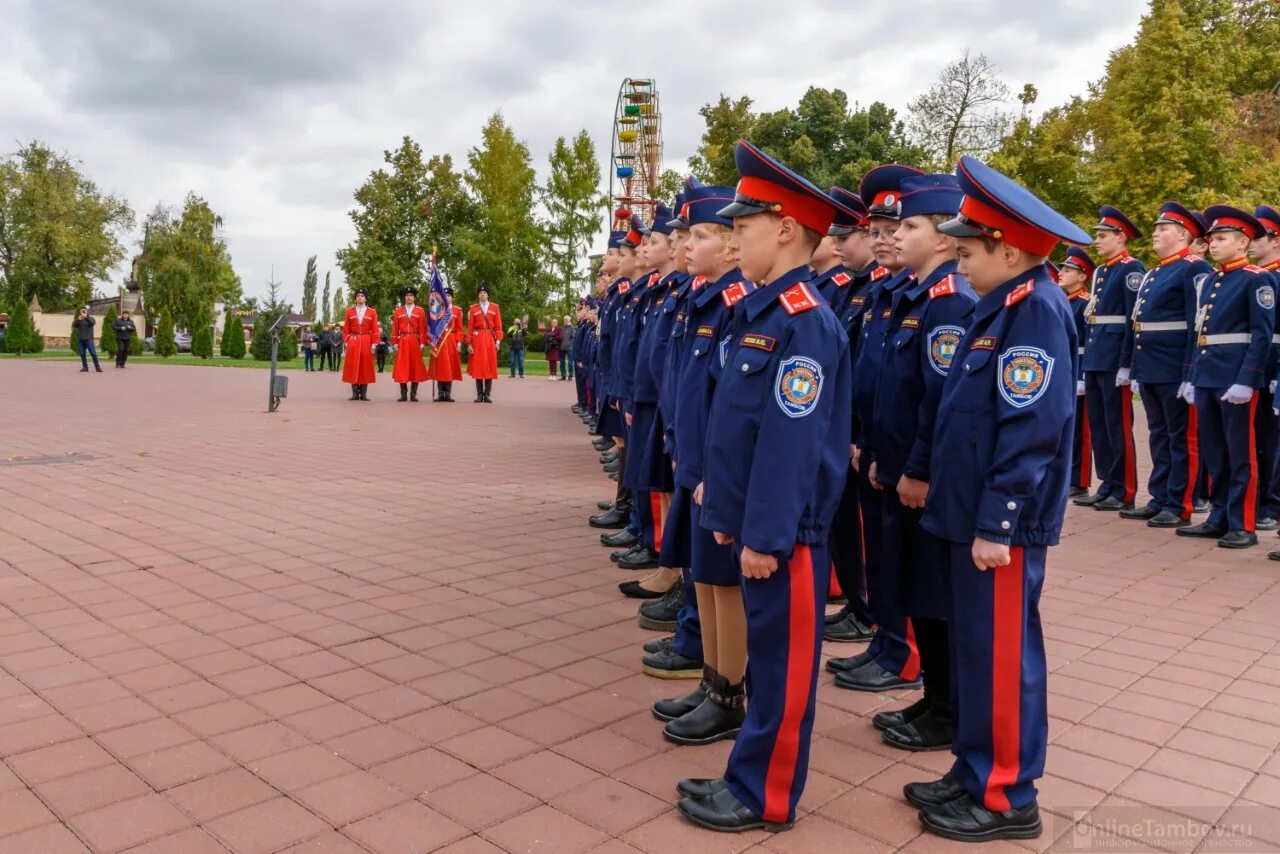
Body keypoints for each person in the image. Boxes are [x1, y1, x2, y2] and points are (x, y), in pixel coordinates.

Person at [911, 155, 1090, 842]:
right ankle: (974, 768)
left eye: (967, 249)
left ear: (1008, 249)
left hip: (999, 525)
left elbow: (1031, 429)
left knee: (1004, 655)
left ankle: (1008, 794)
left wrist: (999, 521)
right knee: (979, 651)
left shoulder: (1036, 313)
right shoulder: (1000, 307)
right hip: (971, 515)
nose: (958, 263)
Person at [673, 140, 850, 834]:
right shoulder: (765, 313)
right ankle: (747, 776)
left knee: (780, 673)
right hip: (756, 526)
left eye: (743, 228)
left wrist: (766, 534)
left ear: (785, 229)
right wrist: (728, 512)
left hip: (785, 536)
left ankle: (764, 795)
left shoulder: (804, 321)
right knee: (769, 664)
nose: (735, 238)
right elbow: (736, 428)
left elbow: (790, 442)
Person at [867, 173, 976, 752]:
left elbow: (941, 399)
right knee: (916, 589)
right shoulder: (915, 295)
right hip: (898, 468)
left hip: (922, 479)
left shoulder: (950, 300)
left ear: (941, 240)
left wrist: (918, 469)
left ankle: (950, 708)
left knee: (935, 596)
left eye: (910, 225)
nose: (897, 234)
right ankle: (935, 698)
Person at [834, 163, 925, 693]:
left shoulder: (930, 298)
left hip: (906, 458)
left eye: (897, 230)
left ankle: (904, 656)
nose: (884, 240)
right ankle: (884, 640)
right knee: (885, 557)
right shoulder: (888, 293)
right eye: (878, 231)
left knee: (903, 560)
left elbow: (928, 398)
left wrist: (911, 462)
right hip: (875, 446)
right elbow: (868, 378)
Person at [1177, 206, 1275, 549]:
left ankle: (1242, 523)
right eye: (1211, 239)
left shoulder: (1256, 278)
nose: (1212, 244)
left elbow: (1261, 335)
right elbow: (1200, 332)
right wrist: (1191, 376)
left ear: (1243, 242)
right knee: (1215, 451)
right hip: (1208, 376)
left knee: (1240, 454)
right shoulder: (1214, 280)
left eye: (1220, 239)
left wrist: (1247, 379)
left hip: (1234, 378)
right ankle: (1218, 517)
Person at [1118, 202, 1214, 528]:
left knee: (1180, 437)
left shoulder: (1194, 268)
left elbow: (1196, 326)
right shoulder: (1155, 271)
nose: (1156, 233)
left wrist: (1190, 372)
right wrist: (1132, 367)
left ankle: (1179, 502)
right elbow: (1138, 323)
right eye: (1157, 228)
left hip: (1175, 366)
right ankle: (1159, 497)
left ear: (1184, 234)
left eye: (1163, 229)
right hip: (1151, 366)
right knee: (1159, 435)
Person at [824, 185, 881, 647]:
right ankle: (860, 607)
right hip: (849, 431)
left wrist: (859, 433)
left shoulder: (873, 287)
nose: (840, 245)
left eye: (847, 237)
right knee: (848, 526)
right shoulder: (858, 288)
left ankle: (869, 613)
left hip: (864, 436)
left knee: (865, 531)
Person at [1077, 205, 1146, 511]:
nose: (1098, 241)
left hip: (1114, 357)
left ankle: (1124, 488)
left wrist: (1127, 362)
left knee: (1117, 426)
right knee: (1101, 425)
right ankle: (1107, 482)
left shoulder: (1132, 269)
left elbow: (1134, 319)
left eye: (1104, 236)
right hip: (1096, 355)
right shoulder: (1103, 271)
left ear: (1121, 237)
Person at [1059, 248, 1097, 498]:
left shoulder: (1084, 303)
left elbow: (1087, 341)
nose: (1061, 273)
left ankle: (1079, 479)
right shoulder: (1065, 301)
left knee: (1080, 430)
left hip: (1079, 368)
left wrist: (1082, 376)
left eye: (1068, 270)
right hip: (1066, 368)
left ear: (1083, 276)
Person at [391, 286, 429, 402]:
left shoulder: (420, 311)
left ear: (414, 297)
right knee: (402, 367)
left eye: (411, 295)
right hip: (402, 339)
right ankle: (403, 394)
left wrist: (422, 343)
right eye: (407, 295)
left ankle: (413, 394)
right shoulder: (398, 311)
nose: (409, 297)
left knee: (415, 367)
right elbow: (395, 328)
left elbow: (423, 328)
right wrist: (395, 342)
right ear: (404, 297)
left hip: (414, 340)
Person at [467, 286, 503, 402]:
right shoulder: (473, 309)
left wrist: (497, 341)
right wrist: (469, 343)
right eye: (480, 293)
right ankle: (479, 394)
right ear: (478, 295)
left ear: (488, 295)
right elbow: (470, 327)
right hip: (477, 339)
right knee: (478, 366)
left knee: (489, 366)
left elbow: (498, 326)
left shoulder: (495, 307)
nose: (482, 294)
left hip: (489, 338)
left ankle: (487, 394)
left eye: (484, 292)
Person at [427, 287, 464, 401]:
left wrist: (459, 343)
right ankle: (440, 393)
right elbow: (432, 325)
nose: (447, 297)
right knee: (440, 367)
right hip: (440, 340)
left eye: (449, 296)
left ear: (452, 297)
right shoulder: (437, 310)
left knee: (450, 366)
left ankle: (447, 393)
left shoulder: (457, 311)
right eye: (445, 296)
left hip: (451, 340)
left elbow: (459, 329)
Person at [341, 289, 378, 400]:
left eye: (362, 295)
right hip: (354, 339)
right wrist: (347, 342)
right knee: (353, 365)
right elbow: (346, 330)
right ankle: (355, 393)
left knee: (365, 366)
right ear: (355, 298)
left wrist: (374, 344)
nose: (360, 297)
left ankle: (364, 393)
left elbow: (375, 329)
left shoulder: (372, 312)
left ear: (365, 298)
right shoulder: (349, 312)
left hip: (366, 339)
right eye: (358, 295)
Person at [73, 308, 101, 372]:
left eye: (84, 312)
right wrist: (78, 320)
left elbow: (92, 323)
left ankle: (97, 367)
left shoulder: (91, 318)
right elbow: (74, 325)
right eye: (81, 312)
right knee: (82, 354)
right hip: (81, 340)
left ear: (87, 312)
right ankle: (85, 367)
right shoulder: (79, 319)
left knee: (93, 354)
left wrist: (86, 317)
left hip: (89, 340)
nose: (83, 313)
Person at [561, 314, 576, 381]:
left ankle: (570, 375)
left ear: (569, 320)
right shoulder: (562, 328)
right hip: (562, 348)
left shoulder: (572, 328)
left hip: (569, 348)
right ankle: (563, 375)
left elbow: (573, 338)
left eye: (566, 319)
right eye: (564, 319)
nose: (565, 320)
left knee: (570, 362)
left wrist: (568, 344)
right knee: (562, 362)